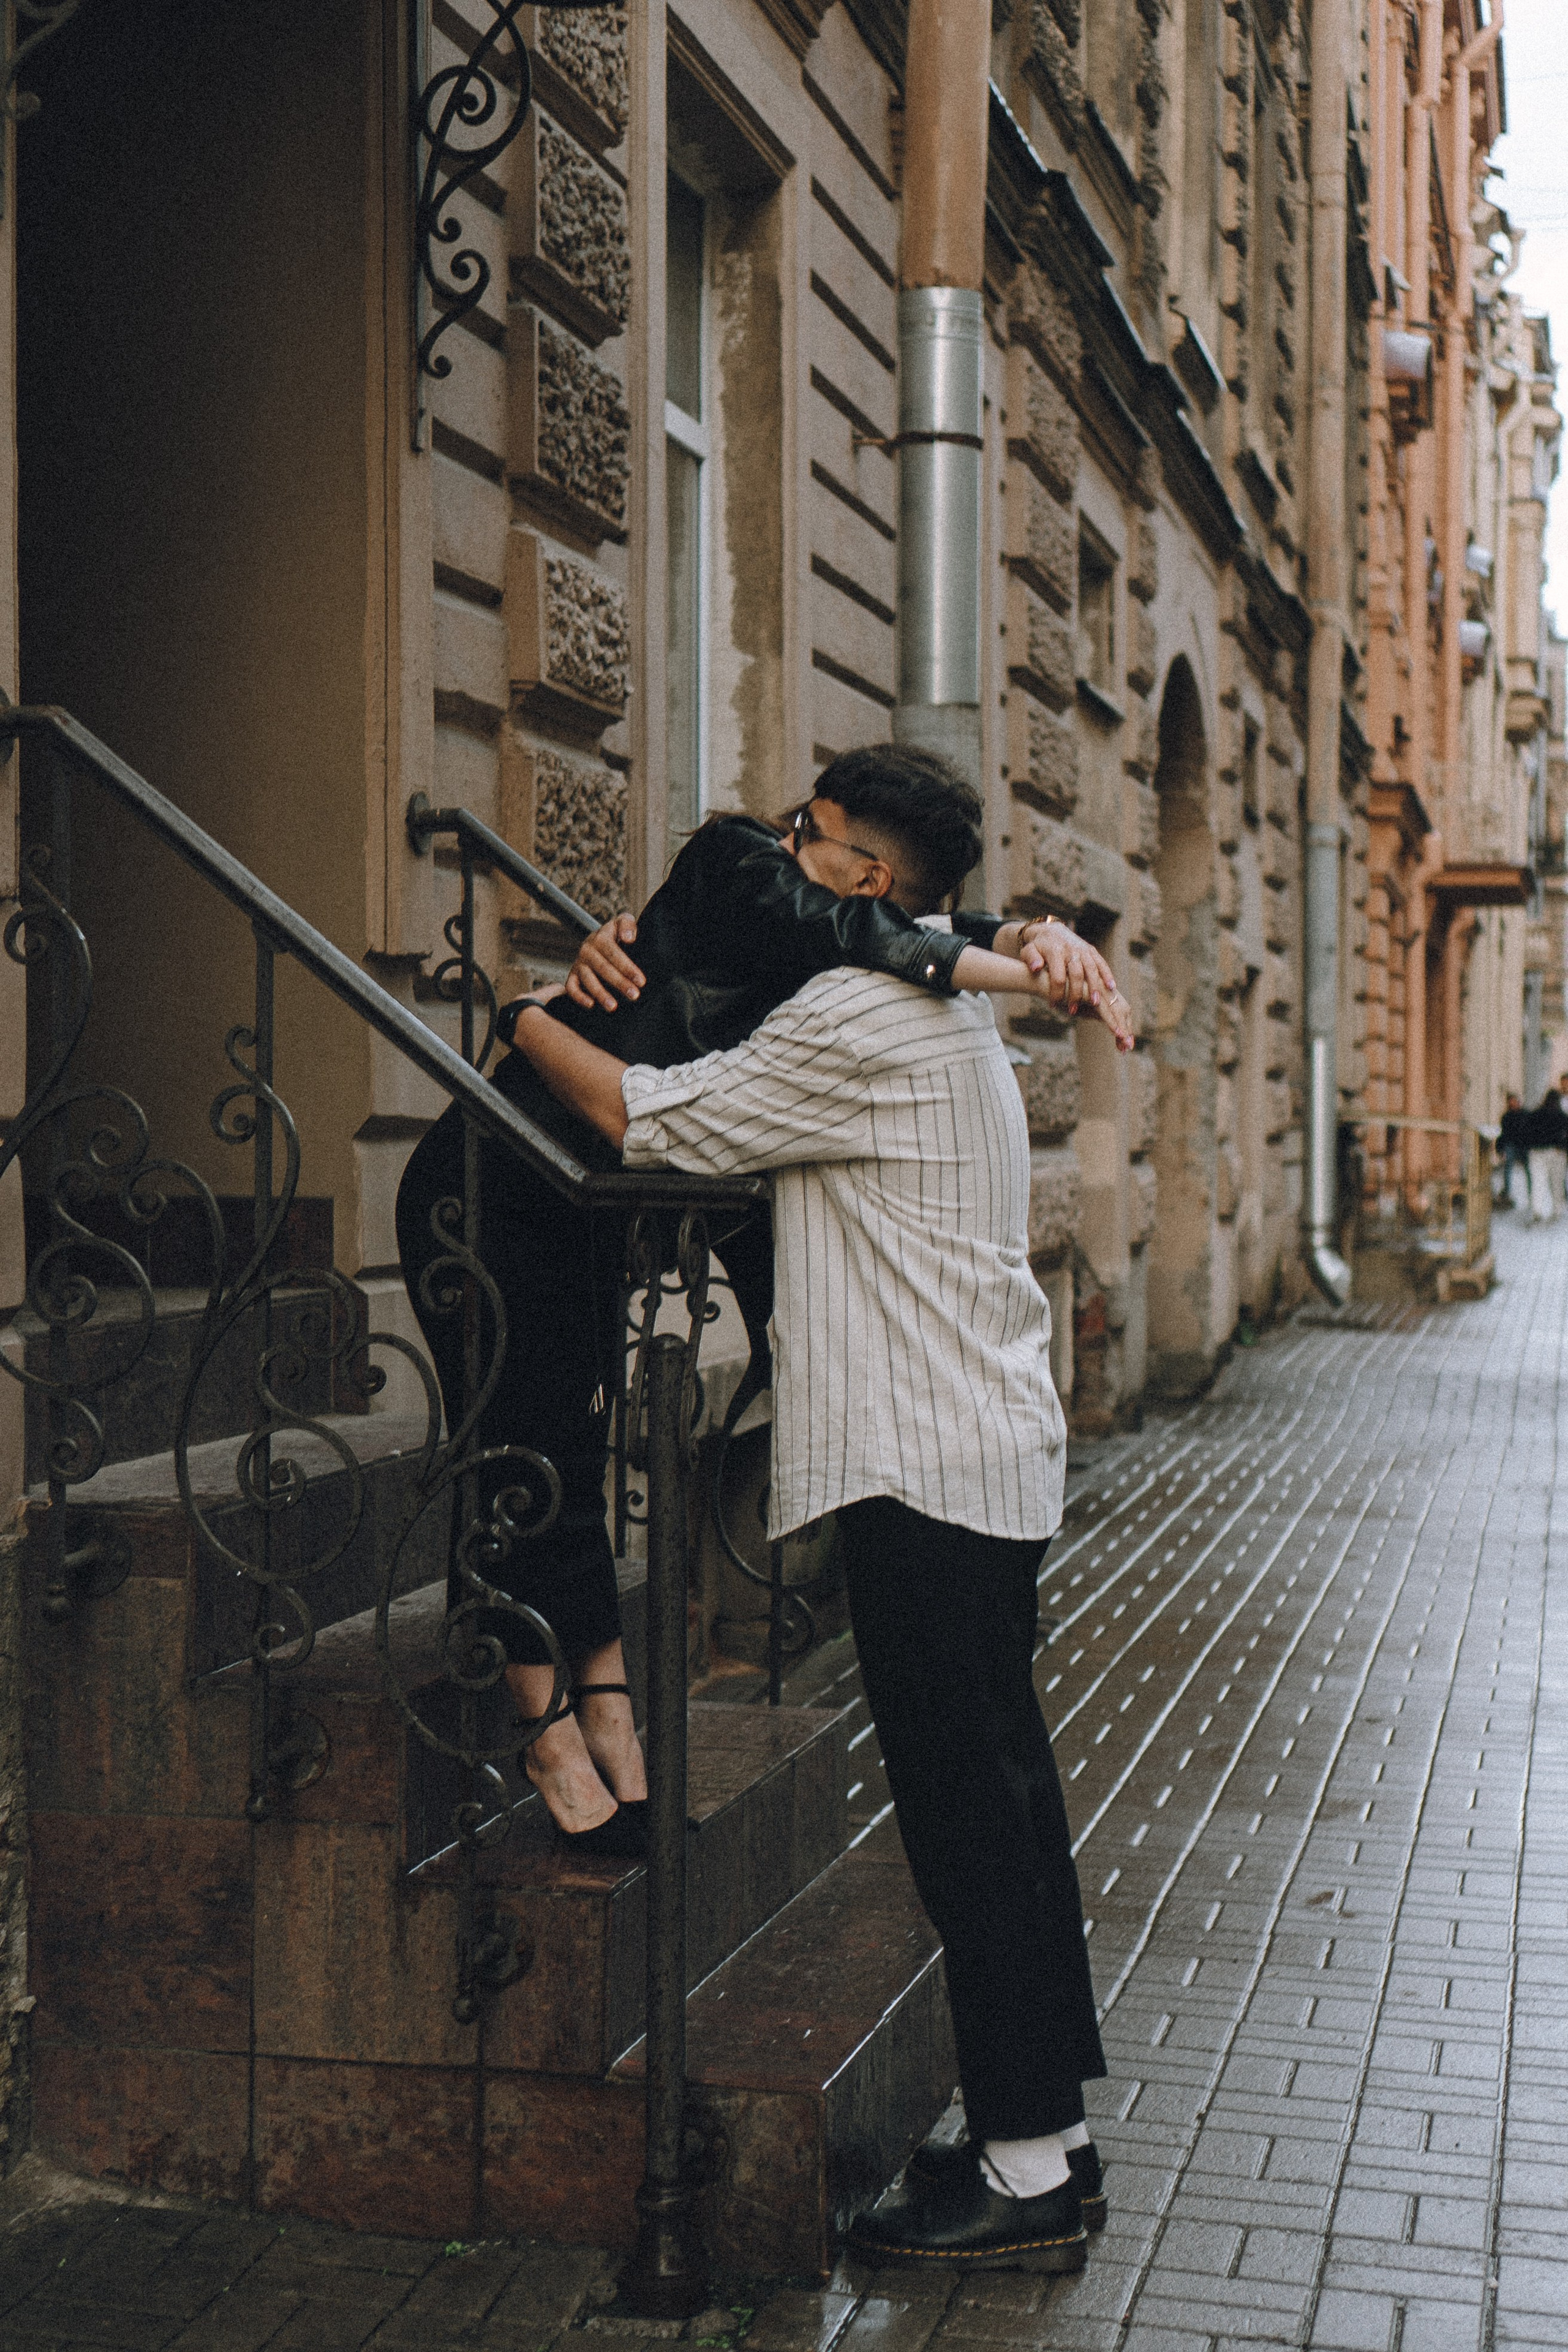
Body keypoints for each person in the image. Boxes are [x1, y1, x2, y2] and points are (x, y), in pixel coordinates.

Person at [505, 772, 1110, 2272]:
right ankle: (1051, 2138)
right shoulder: (949, 1012)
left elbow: (644, 1119)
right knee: (1010, 1806)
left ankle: (1027, 2163)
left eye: (807, 843)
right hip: (984, 1452)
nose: (782, 856)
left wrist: (523, 1014)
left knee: (969, 1817)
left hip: (919, 1464)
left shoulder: (860, 1019)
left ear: (866, 876)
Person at [396, 747, 1133, 1856]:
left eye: (813, 827)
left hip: (586, 1205)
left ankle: (612, 1724)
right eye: (802, 821)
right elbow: (881, 937)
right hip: (488, 1188)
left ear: (867, 871)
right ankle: (546, 1734)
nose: (790, 833)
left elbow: (937, 932)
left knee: (575, 1454)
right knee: (519, 1446)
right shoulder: (737, 861)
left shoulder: (840, 953)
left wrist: (1036, 939)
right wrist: (523, 1013)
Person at [1524, 1081, 1568, 1223]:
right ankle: (1557, 1211)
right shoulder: (1562, 1117)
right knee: (1556, 1183)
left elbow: (1527, 1133)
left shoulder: (1535, 1114)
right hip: (1557, 1153)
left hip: (1536, 1153)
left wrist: (1530, 1148)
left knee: (1538, 1183)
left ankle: (1537, 1211)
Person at [1497, 1091, 1528, 1212]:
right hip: (1511, 1145)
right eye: (1511, 1102)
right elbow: (1503, 1134)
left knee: (1528, 1170)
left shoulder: (1525, 1114)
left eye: (1515, 1101)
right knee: (1508, 1169)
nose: (1513, 1104)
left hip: (1523, 1146)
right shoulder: (1506, 1116)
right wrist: (1500, 1149)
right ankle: (1507, 1193)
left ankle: (1532, 1194)